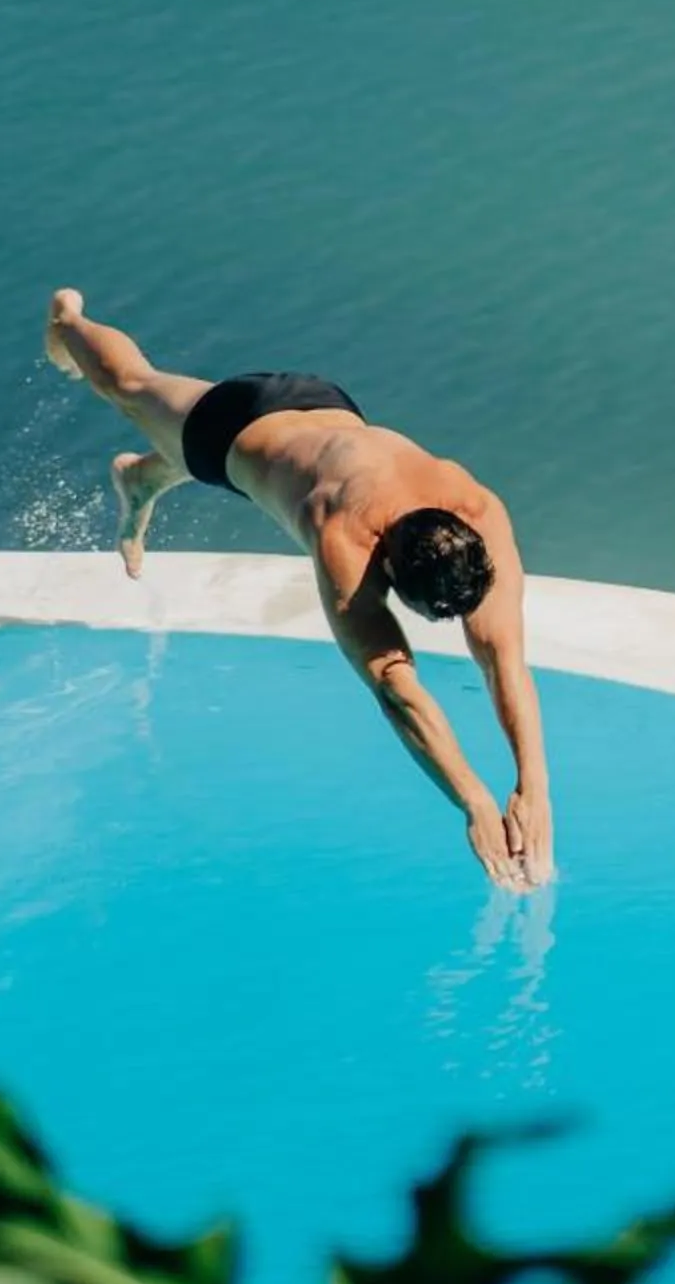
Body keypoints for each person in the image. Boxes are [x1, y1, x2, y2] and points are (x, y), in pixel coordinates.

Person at [42, 288, 551, 887]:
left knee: (191, 456)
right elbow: (396, 689)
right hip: (231, 426)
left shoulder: (477, 513)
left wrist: (534, 787)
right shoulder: (343, 536)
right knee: (130, 384)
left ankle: (142, 480)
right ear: (383, 566)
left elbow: (504, 660)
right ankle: (68, 319)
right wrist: (475, 801)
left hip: (327, 405)